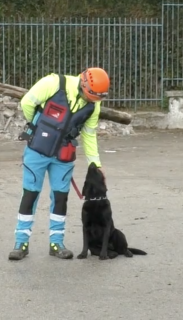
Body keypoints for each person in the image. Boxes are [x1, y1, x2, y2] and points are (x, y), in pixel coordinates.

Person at [8, 68, 110, 261]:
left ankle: (57, 243)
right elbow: (27, 102)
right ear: (83, 83)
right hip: (37, 151)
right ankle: (21, 242)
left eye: (97, 99)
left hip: (63, 155)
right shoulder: (53, 83)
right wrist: (38, 128)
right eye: (91, 97)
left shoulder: (93, 106)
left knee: (61, 198)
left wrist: (96, 163)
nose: (93, 102)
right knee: (30, 194)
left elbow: (89, 134)